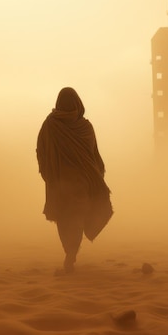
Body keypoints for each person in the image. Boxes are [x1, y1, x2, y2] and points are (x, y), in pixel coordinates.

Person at [36, 87, 113, 273]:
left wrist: (49, 175)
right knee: (76, 217)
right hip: (82, 182)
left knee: (65, 218)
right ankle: (71, 254)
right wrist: (98, 175)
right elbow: (94, 155)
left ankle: (69, 253)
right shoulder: (85, 127)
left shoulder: (50, 125)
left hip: (60, 182)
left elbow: (41, 151)